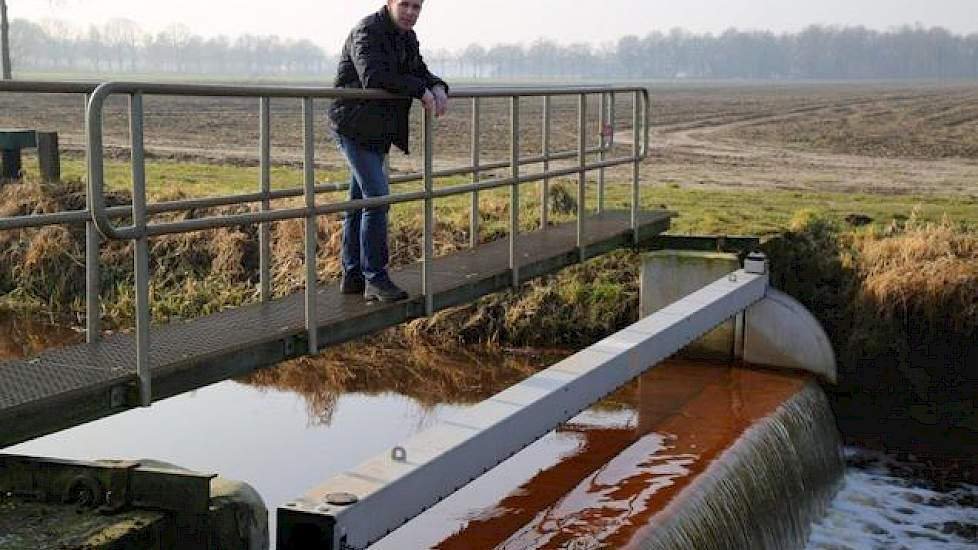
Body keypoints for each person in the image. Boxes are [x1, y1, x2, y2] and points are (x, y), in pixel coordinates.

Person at [328, 0, 449, 302]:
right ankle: (375, 279)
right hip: (354, 126)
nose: (411, 12)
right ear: (390, 3)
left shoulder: (406, 37)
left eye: (417, 7)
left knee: (360, 201)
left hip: (377, 131)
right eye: (405, 5)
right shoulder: (367, 31)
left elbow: (419, 70)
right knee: (378, 199)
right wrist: (419, 90)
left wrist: (437, 86)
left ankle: (353, 274)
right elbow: (374, 76)